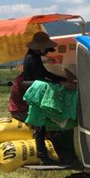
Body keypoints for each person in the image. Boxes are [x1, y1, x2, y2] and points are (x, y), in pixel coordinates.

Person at [23, 31, 75, 164]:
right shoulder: (32, 59)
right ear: (39, 47)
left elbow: (45, 74)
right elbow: (42, 77)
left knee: (41, 126)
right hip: (37, 95)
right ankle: (43, 157)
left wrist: (62, 79)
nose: (46, 52)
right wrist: (62, 82)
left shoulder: (33, 57)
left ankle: (45, 156)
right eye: (45, 49)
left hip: (37, 94)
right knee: (40, 127)